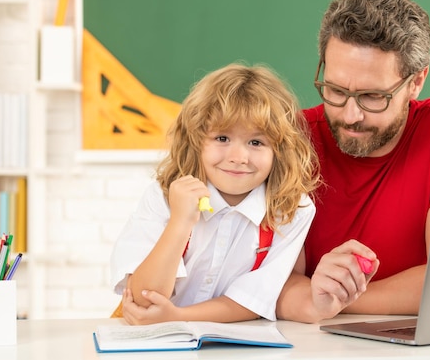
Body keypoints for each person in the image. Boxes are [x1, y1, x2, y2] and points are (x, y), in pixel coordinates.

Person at [275, 0, 430, 323]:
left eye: (372, 97)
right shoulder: (288, 137)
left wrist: (329, 298)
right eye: (335, 90)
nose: (350, 115)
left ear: (416, 81)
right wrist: (307, 295)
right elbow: (258, 283)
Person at [110, 63, 321, 325]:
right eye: (222, 138)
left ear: (279, 150)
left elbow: (252, 300)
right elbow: (143, 299)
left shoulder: (292, 211)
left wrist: (178, 317)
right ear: (196, 140)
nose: (238, 158)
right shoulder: (163, 196)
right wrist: (180, 222)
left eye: (256, 142)